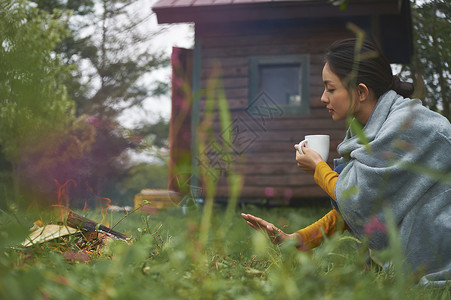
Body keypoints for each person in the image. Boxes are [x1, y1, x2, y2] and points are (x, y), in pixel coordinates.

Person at [241, 38, 451, 285]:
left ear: (360, 92)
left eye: (330, 89)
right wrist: (297, 240)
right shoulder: (366, 131)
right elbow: (361, 207)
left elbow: (359, 197)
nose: (322, 97)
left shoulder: (409, 126)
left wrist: (319, 168)